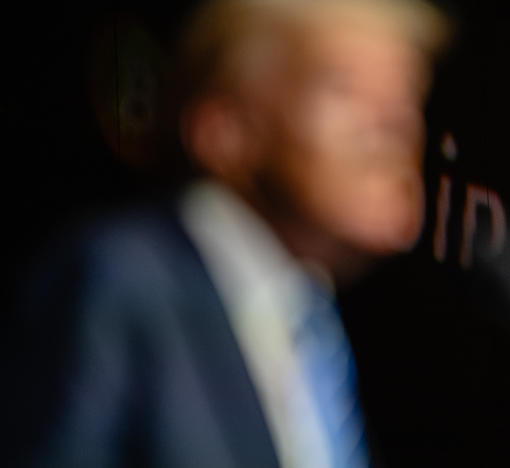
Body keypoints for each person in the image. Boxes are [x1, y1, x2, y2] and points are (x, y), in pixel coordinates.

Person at [17, 0, 445, 466]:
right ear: (224, 130)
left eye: (407, 97)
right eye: (345, 90)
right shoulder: (122, 283)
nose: (396, 125)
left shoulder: (311, 328)